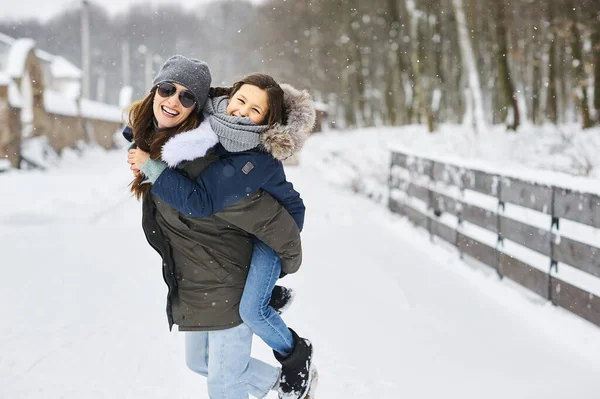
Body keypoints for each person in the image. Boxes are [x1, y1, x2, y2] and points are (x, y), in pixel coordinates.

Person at [126, 55, 316, 399]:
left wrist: (153, 167)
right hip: (218, 262)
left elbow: (202, 200)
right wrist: (140, 137)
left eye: (255, 110)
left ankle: (293, 350)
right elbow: (180, 126)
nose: (242, 111)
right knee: (202, 364)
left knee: (249, 315)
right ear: (228, 97)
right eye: (240, 100)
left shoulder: (254, 154)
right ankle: (278, 375)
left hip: (272, 236)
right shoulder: (213, 123)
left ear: (266, 122)